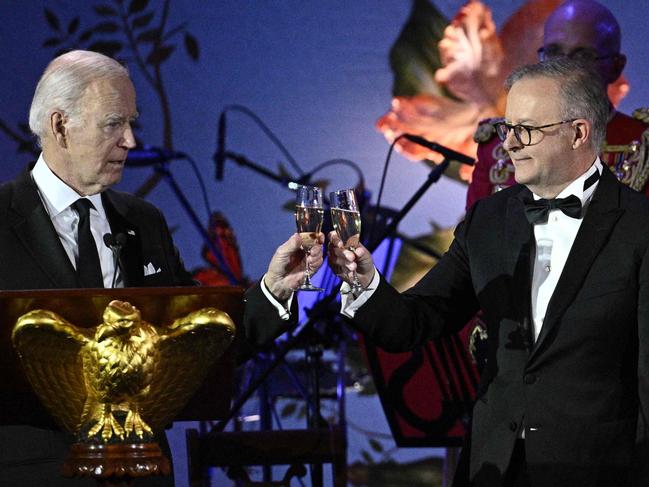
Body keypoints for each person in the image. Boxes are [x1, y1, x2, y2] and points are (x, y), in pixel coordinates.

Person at [0, 50, 323, 486]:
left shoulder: (143, 221)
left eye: (131, 123)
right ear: (60, 126)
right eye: (114, 123)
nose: (130, 141)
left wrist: (274, 289)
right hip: (34, 474)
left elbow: (199, 339)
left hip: (143, 471)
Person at [329, 58, 649, 486]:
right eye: (507, 128)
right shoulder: (489, 220)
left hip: (598, 470)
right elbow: (417, 320)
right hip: (493, 469)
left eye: (527, 130)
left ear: (578, 134)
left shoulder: (639, 227)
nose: (510, 144)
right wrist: (362, 280)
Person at [467, 0, 649, 209]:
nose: (563, 65)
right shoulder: (498, 144)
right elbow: (474, 235)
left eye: (583, 55)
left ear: (616, 67)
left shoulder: (642, 144)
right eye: (554, 52)